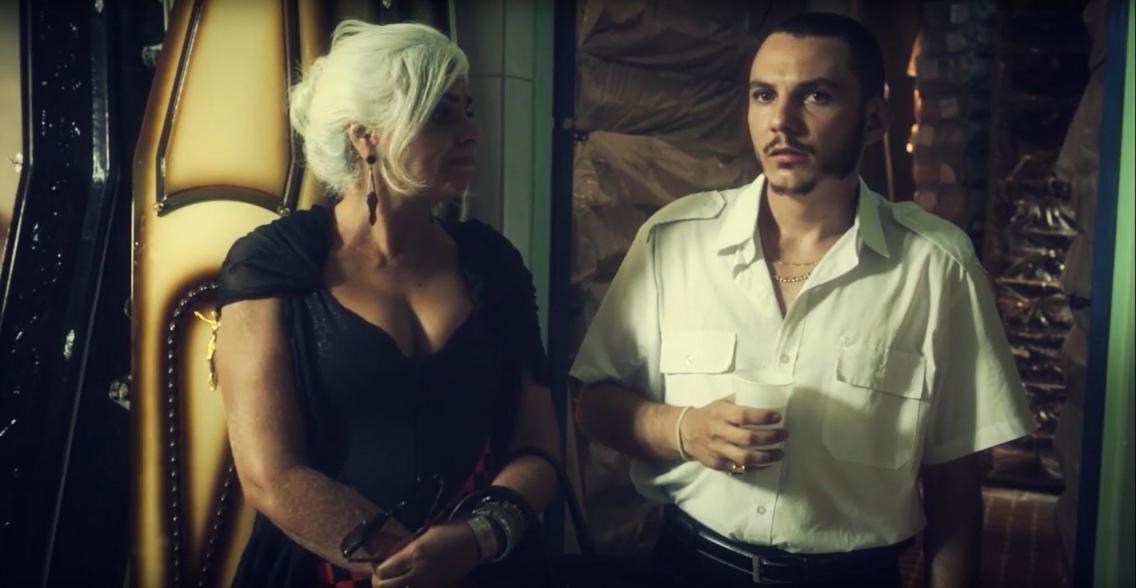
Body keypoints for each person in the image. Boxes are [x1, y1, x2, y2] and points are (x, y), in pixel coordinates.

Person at [571, 12, 1032, 588]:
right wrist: (684, 430)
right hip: (690, 566)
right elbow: (594, 405)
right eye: (764, 94)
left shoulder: (936, 267)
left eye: (816, 96)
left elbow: (954, 479)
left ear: (874, 119)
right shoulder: (674, 241)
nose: (781, 122)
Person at [214, 21, 560, 588]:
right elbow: (269, 474)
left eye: (467, 111)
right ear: (364, 136)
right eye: (440, 114)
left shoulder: (492, 264)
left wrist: (478, 540)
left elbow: (537, 443)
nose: (472, 133)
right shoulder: (274, 264)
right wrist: (406, 565)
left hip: (482, 567)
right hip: (320, 571)